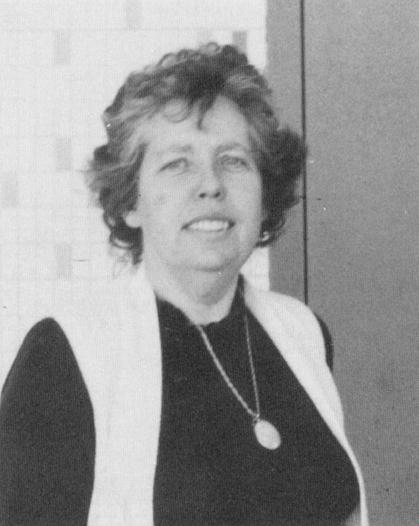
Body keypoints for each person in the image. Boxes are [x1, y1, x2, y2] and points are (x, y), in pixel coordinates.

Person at [0, 43, 368, 525]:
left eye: (233, 160)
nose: (210, 184)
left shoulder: (303, 333)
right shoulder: (67, 352)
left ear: (264, 195)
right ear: (130, 201)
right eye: (177, 163)